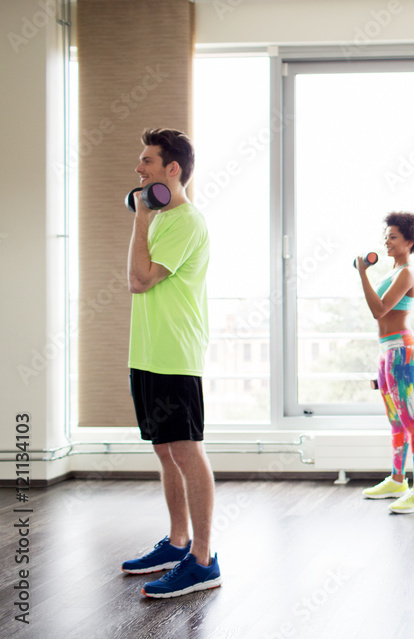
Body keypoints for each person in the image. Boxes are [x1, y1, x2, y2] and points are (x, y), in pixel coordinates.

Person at [121, 128, 221, 597]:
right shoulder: (160, 218)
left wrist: (140, 218)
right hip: (147, 351)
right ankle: (178, 542)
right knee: (165, 449)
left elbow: (139, 280)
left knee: (185, 450)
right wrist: (145, 217)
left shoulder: (182, 220)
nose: (139, 169)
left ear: (171, 169)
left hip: (175, 354)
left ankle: (202, 559)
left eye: (147, 161)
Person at [357, 212, 414, 514]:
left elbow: (379, 310)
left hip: (402, 349)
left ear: (409, 242)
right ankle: (398, 480)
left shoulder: (407, 274)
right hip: (388, 350)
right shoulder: (392, 272)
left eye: (393, 237)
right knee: (395, 420)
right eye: (386, 236)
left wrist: (361, 273)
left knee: (412, 421)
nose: (386, 242)